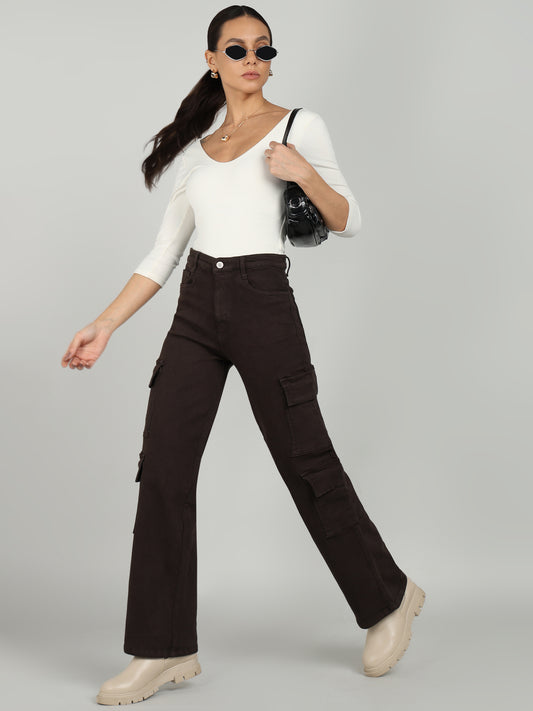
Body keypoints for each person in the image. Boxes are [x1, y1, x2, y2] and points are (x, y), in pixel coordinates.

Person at [61, 5, 426, 705]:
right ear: (212, 60)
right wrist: (104, 323)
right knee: (163, 469)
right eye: (237, 49)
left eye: (263, 48)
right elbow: (163, 254)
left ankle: (389, 598)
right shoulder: (197, 153)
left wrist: (301, 172)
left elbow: (350, 219)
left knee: (304, 460)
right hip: (196, 308)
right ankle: (162, 649)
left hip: (263, 302)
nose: (252, 59)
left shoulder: (298, 127)